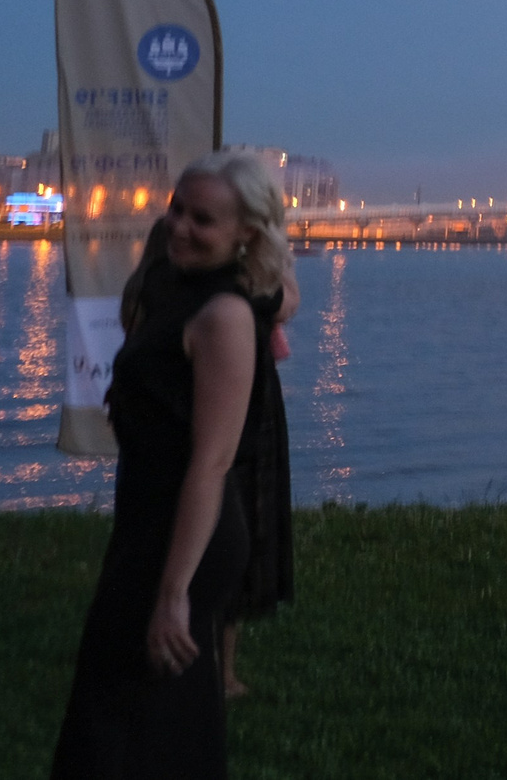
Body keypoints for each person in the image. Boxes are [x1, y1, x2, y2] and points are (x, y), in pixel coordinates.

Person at [53, 150, 290, 779]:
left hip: (185, 538)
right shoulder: (173, 287)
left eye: (202, 220)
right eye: (177, 210)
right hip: (147, 522)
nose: (181, 226)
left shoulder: (225, 317)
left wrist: (174, 593)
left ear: (246, 234)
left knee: (122, 708)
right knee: (154, 707)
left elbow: (211, 464)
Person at [221, 261, 297, 700]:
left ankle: (218, 670)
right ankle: (221, 674)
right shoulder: (248, 281)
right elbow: (287, 301)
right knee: (238, 521)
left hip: (248, 396)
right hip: (247, 402)